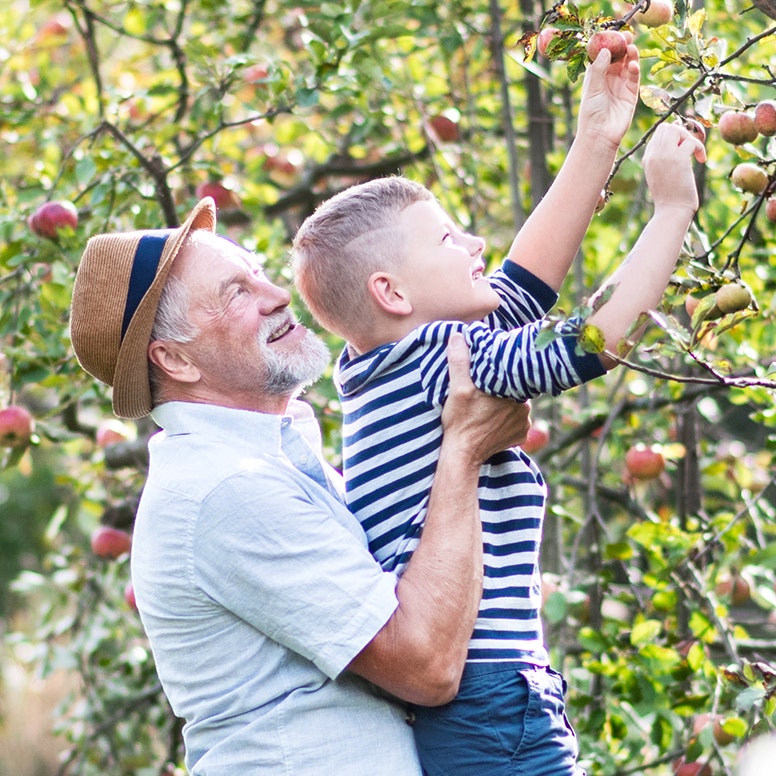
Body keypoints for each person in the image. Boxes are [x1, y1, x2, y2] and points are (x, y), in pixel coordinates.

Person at [292, 44, 707, 776]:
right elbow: (583, 343)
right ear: (393, 293)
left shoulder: (379, 372)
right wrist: (672, 208)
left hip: (467, 705)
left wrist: (596, 139)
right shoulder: (441, 357)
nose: (476, 242)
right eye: (450, 238)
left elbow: (520, 291)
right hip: (488, 698)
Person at [68, 197, 533, 776]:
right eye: (236, 293)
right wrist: (462, 453)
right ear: (175, 360)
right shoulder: (227, 491)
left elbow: (515, 301)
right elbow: (427, 667)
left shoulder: (269, 460)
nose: (278, 296)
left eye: (258, 272)